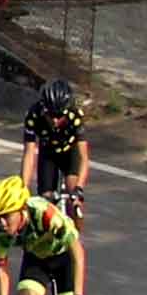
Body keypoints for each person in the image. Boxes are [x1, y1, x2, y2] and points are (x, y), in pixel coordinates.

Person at [24, 79, 92, 220]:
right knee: (45, 204)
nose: (55, 120)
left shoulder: (75, 115)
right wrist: (23, 188)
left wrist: (78, 189)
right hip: (48, 153)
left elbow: (84, 158)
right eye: (51, 115)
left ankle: (75, 238)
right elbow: (29, 154)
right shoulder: (34, 115)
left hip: (70, 152)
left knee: (74, 201)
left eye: (59, 115)